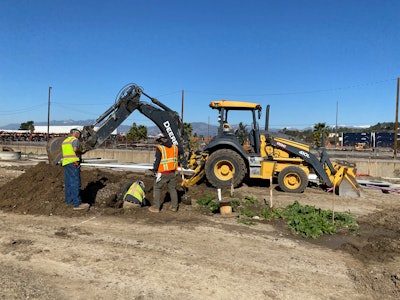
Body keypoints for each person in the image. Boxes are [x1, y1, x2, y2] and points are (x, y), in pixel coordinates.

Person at [148, 133, 179, 213]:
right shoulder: (175, 148)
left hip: (163, 172)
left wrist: (154, 170)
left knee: (157, 188)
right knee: (172, 189)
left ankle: (156, 207)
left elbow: (157, 160)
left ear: (160, 140)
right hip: (173, 172)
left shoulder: (160, 148)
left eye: (158, 141)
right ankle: (174, 207)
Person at [61, 128, 90, 211]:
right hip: (73, 163)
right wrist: (82, 151)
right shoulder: (75, 140)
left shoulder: (65, 141)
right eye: (79, 134)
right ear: (76, 133)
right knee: (75, 182)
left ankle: (69, 201)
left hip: (66, 163)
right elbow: (75, 150)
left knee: (68, 183)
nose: (79, 136)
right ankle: (77, 204)